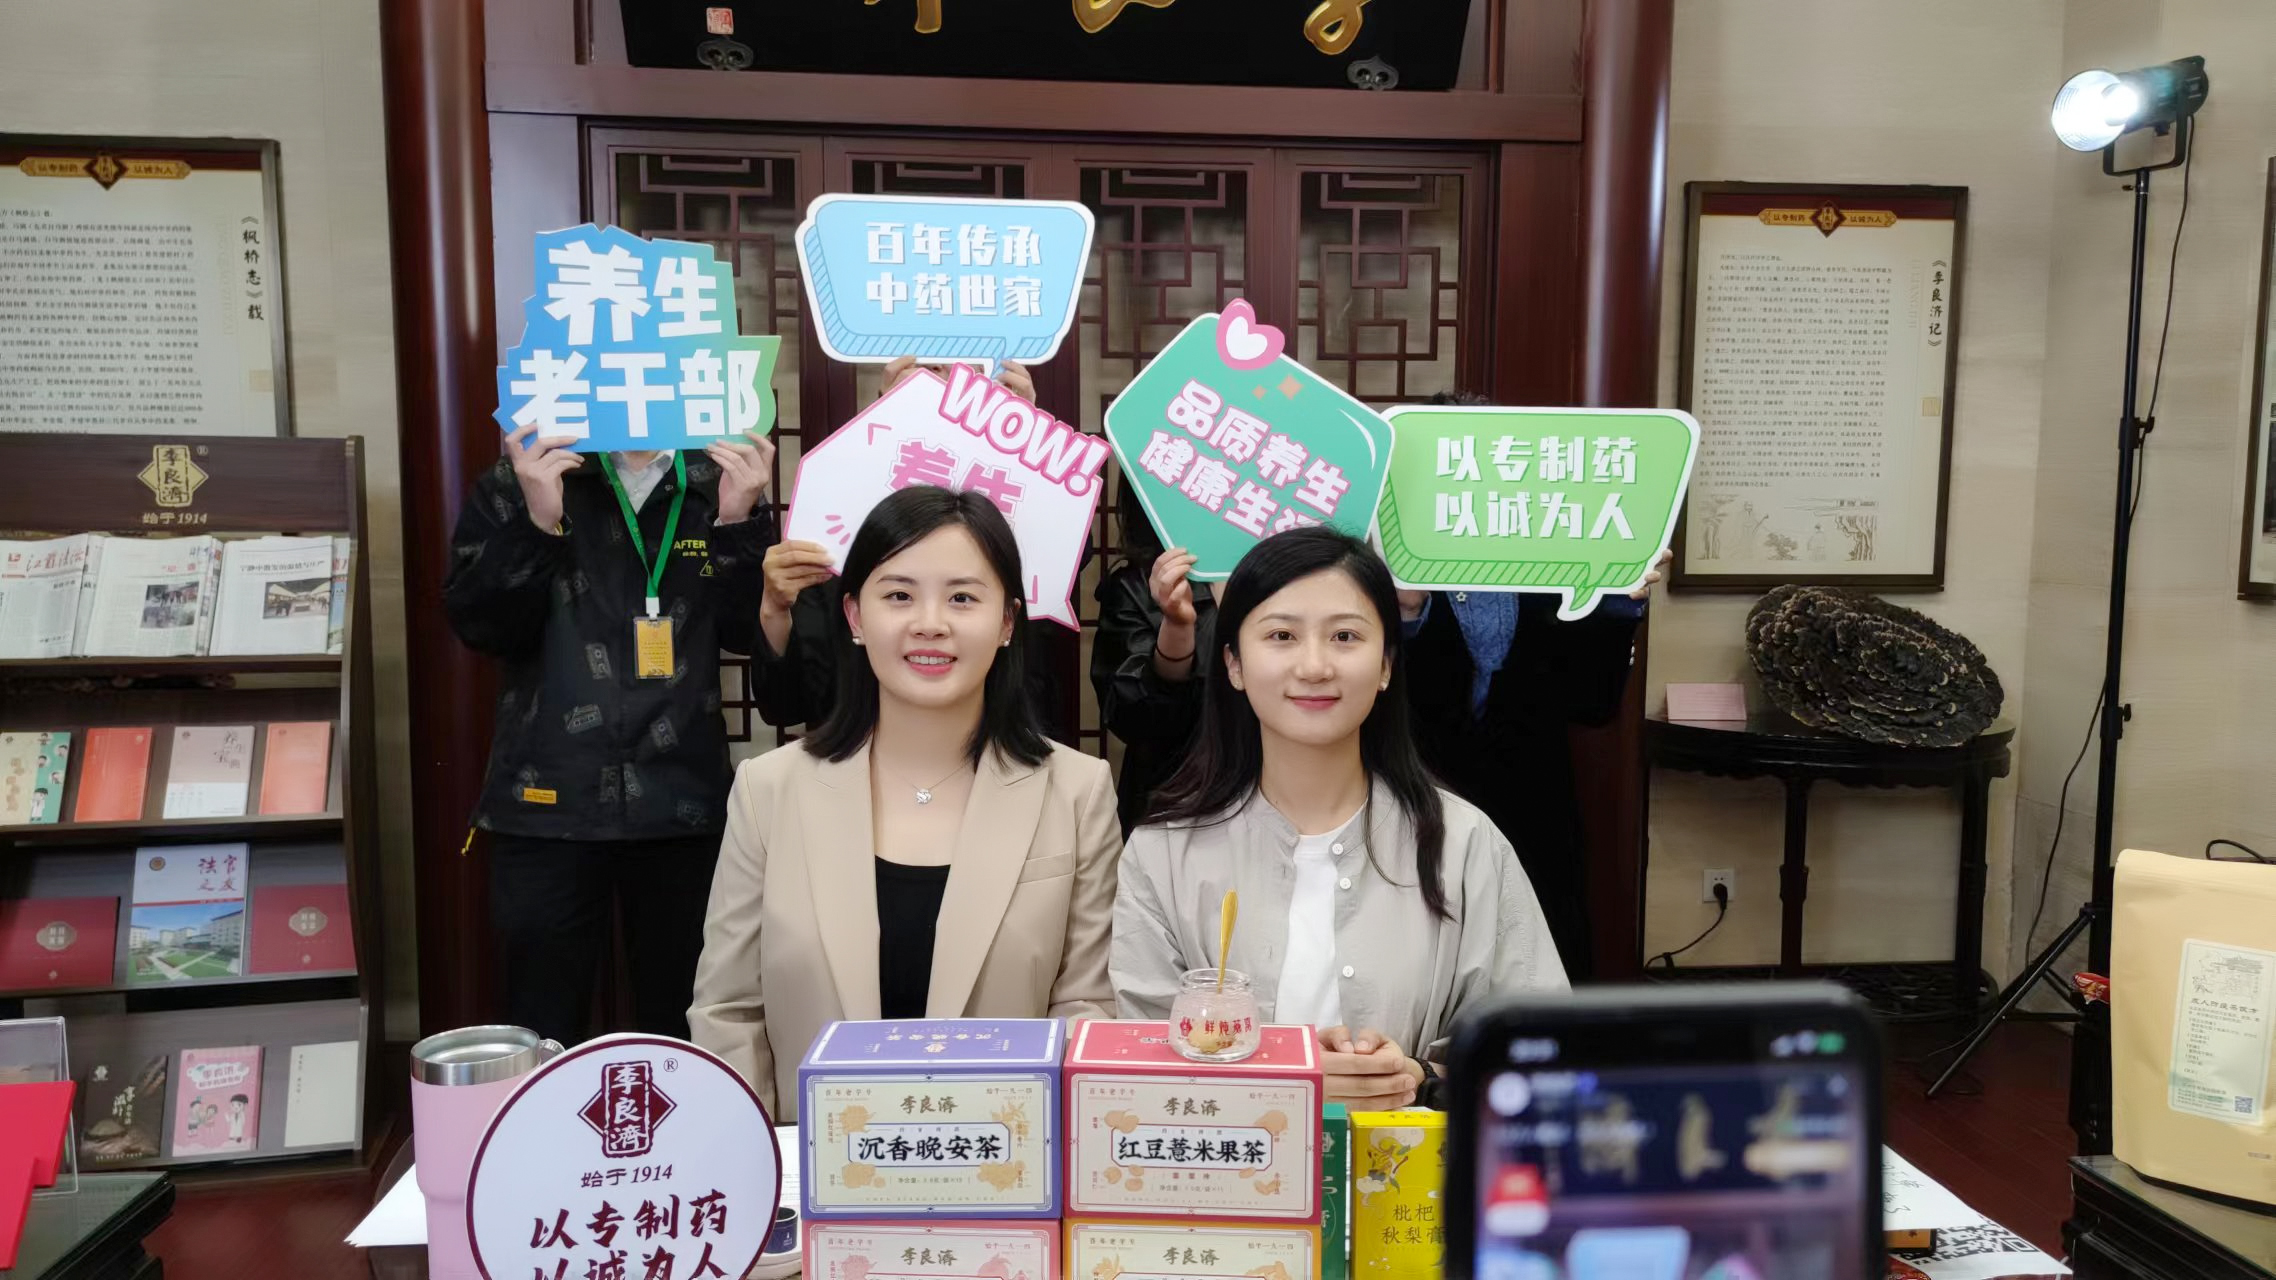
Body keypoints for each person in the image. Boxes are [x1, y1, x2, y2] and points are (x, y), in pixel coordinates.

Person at [689, 485, 1120, 1118]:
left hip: (1003, 1159)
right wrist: (765, 1159)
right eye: (898, 595)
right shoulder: (768, 790)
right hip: (813, 1164)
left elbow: (1087, 1007)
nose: (930, 623)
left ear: (1007, 623)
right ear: (855, 617)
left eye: (963, 598)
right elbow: (729, 1011)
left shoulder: (1078, 791)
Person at [1113, 527, 1567, 1110]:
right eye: (1281, 635)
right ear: (1234, 663)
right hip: (1226, 1167)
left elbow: (1540, 1048)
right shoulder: (1162, 852)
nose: (1314, 665)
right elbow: (1136, 1065)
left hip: (1409, 1167)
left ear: (1385, 665)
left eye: (1345, 636)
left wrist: (1417, 1077)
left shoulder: (1465, 843)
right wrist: (1284, 1079)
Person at [443, 423, 778, 1046]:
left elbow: (748, 632)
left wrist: (738, 522)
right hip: (547, 801)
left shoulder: (716, 476)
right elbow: (482, 628)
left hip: (684, 798)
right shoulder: (530, 471)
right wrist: (537, 524)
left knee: (687, 1024)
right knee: (539, 1024)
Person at [1395, 391, 1661, 976]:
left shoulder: (1555, 556)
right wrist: (1408, 613)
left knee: (1536, 964)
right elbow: (1376, 703)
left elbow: (1592, 704)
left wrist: (1616, 606)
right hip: (1410, 803)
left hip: (1533, 808)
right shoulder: (1389, 560)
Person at [752, 357, 1075, 742]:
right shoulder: (837, 509)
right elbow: (787, 702)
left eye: (961, 597)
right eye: (900, 595)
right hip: (862, 750)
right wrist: (774, 609)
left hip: (1002, 744)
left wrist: (1029, 448)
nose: (937, 367)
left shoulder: (1023, 493)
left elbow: (1064, 560)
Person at [1090, 481, 1218, 834]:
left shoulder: (1289, 582)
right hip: (1171, 806)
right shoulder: (1134, 587)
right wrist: (1177, 627)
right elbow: (1133, 718)